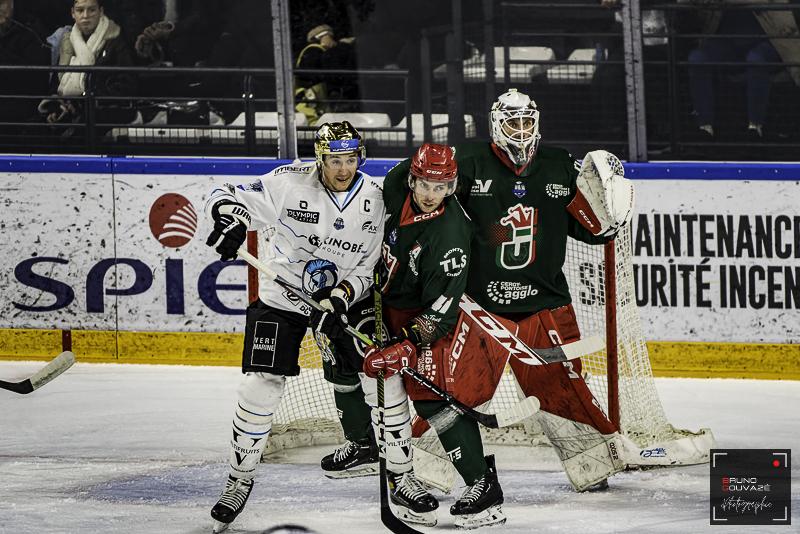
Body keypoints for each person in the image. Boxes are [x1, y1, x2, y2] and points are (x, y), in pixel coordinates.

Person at [204, 121, 435, 532]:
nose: (344, 169)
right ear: (320, 158)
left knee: (384, 377)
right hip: (283, 299)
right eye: (335, 161)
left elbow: (368, 266)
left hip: (347, 300)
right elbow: (225, 195)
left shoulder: (376, 198)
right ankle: (238, 480)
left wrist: (340, 297)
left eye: (351, 160)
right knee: (261, 383)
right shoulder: (288, 182)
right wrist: (229, 220)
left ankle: (402, 475)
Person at [453, 89, 635, 493]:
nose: (520, 131)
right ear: (495, 125)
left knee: (561, 386)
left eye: (526, 122)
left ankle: (591, 463)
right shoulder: (467, 162)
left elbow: (590, 230)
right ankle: (427, 466)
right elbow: (433, 207)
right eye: (512, 123)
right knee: (459, 388)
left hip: (545, 304)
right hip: (479, 307)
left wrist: (608, 217)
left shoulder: (560, 166)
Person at [362, 144, 506, 529]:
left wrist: (407, 344)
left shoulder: (450, 236)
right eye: (425, 184)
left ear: (451, 188)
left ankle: (483, 486)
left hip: (421, 316)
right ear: (412, 179)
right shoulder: (396, 184)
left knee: (433, 398)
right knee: (357, 373)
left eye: (440, 187)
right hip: (382, 302)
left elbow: (440, 312)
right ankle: (364, 448)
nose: (430, 194)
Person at [684, 0, 800, 140]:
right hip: (728, 42)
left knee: (756, 59)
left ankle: (755, 127)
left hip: (771, 39)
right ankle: (704, 127)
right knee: (697, 58)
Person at [38, 0, 137, 130]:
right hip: (69, 114)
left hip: (101, 117)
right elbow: (55, 84)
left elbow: (126, 84)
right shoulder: (67, 42)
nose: (85, 15)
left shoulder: (115, 41)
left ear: (101, 12)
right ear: (73, 13)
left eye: (91, 10)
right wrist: (55, 108)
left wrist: (82, 100)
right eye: (80, 10)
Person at [294, 23, 358, 125]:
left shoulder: (317, 52)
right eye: (329, 37)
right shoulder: (313, 50)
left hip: (316, 101)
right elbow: (326, 75)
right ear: (321, 38)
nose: (332, 41)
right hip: (310, 102)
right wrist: (342, 47)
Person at [0, 0, 51, 126]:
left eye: (1, 3)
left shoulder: (31, 29)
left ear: (11, 3)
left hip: (23, 108)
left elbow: (38, 79)